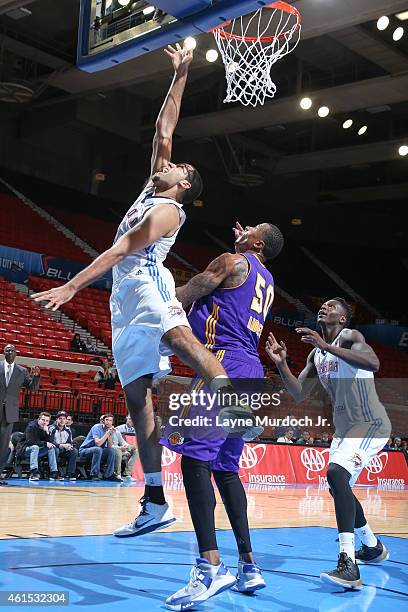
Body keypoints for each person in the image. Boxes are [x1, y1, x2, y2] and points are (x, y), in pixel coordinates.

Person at [31, 44, 257, 536]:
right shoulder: (151, 189)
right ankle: (155, 499)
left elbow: (120, 251)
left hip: (148, 284)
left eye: (177, 167)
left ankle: (242, 410)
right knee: (137, 399)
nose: (169, 162)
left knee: (185, 344)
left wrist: (71, 286)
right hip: (123, 299)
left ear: (184, 184)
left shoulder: (169, 211)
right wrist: (182, 73)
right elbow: (164, 128)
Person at [159, 220, 284, 609]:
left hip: (222, 364)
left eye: (251, 230)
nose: (242, 230)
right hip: (251, 369)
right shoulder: (266, 278)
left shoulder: (232, 260)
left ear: (258, 242)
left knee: (195, 461)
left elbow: (193, 289)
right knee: (226, 470)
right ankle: (249, 565)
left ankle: (208, 567)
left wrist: (155, 299)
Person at [266, 297, 391, 589]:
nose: (324, 307)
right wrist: (282, 364)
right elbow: (299, 393)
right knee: (339, 487)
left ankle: (348, 565)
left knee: (336, 474)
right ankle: (372, 546)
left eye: (332, 306)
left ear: (343, 319)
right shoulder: (316, 356)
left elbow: (374, 362)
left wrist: (325, 345)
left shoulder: (350, 337)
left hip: (370, 422)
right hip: (346, 428)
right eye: (322, 305)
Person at [0, 344, 40, 485]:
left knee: (3, 445)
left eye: (12, 350)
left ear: (16, 353)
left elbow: (33, 388)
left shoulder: (22, 371)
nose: (9, 352)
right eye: (7, 350)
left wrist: (36, 377)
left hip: (9, 413)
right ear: (4, 353)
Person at [16, 412, 59, 481]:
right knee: (35, 447)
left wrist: (47, 433)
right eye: (43, 420)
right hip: (24, 450)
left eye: (47, 421)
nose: (44, 422)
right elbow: (30, 442)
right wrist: (45, 443)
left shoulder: (45, 428)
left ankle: (54, 473)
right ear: (38, 419)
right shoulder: (31, 426)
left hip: (36, 451)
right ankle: (34, 472)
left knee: (51, 448)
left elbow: (50, 443)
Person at [79, 414, 120, 481]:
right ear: (103, 421)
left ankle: (109, 475)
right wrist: (107, 433)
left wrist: (109, 435)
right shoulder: (96, 427)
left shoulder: (109, 430)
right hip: (85, 450)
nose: (108, 422)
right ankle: (94, 474)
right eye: (106, 420)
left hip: (98, 451)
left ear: (112, 423)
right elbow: (98, 443)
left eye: (110, 420)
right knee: (98, 449)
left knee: (111, 450)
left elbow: (109, 446)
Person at [49, 411, 78, 481]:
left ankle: (70, 473)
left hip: (64, 450)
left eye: (64, 419)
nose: (62, 420)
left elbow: (69, 442)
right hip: (54, 449)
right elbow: (50, 442)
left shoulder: (68, 430)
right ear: (56, 419)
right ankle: (54, 472)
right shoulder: (51, 428)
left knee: (74, 451)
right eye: (60, 418)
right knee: (55, 449)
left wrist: (69, 446)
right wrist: (62, 445)